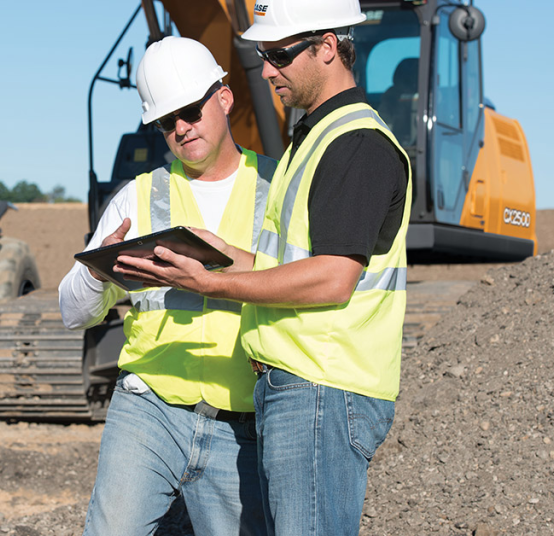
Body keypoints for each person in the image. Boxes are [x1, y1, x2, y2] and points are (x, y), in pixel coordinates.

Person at [112, 1, 412, 534]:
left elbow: (332, 276)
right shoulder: (312, 141)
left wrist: (213, 283)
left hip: (324, 385)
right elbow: (290, 261)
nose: (267, 69)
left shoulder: (355, 144)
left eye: (278, 54)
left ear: (326, 47)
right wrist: (218, 250)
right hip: (299, 386)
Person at [59, 36, 276, 536]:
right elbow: (73, 312)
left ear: (224, 96)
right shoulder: (137, 197)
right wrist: (97, 272)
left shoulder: (279, 187)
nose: (180, 128)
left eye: (191, 111)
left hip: (242, 416)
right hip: (148, 408)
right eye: (165, 121)